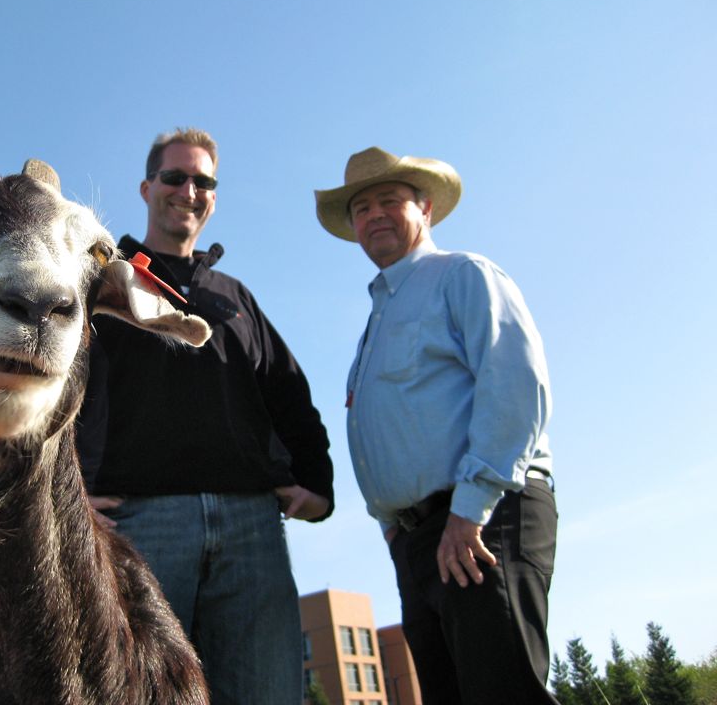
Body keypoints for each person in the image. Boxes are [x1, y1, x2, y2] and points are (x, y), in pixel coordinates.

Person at [77, 127, 334, 705]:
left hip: (252, 530)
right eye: (175, 177)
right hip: (140, 527)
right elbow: (55, 395)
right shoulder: (101, 281)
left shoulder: (236, 298)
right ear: (147, 187)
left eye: (203, 181)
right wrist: (68, 492)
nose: (188, 190)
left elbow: (288, 391)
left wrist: (317, 484)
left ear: (213, 198)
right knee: (137, 693)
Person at [315, 146, 558, 705]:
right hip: (420, 538)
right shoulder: (374, 323)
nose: (373, 214)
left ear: (424, 208)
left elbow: (515, 387)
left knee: (502, 693)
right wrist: (392, 526)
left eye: (389, 200)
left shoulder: (464, 276)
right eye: (361, 207)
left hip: (482, 519)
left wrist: (468, 512)